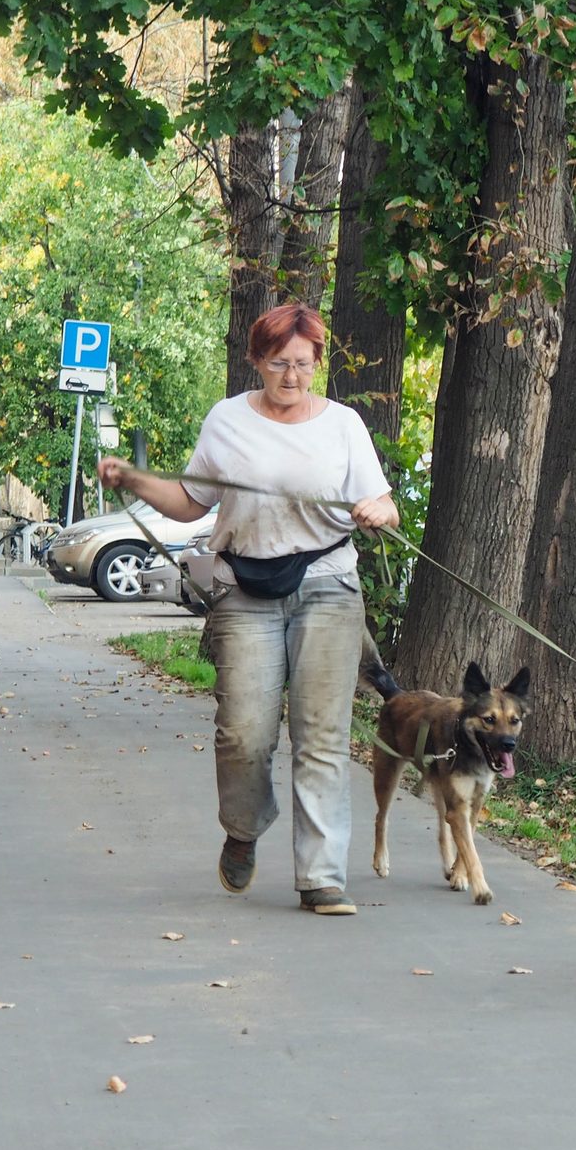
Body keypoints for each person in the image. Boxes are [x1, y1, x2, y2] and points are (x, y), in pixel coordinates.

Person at [98, 303, 398, 916]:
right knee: (243, 734)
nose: (292, 377)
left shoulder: (343, 426)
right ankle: (243, 827)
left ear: (318, 364)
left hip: (326, 582)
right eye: (280, 363)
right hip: (245, 587)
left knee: (321, 736)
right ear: (257, 360)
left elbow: (383, 503)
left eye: (304, 365)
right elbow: (189, 503)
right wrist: (132, 480)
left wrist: (376, 513)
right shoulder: (227, 420)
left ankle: (321, 876)